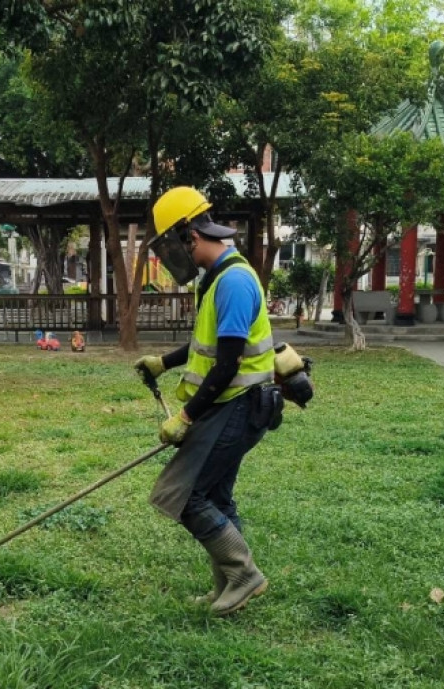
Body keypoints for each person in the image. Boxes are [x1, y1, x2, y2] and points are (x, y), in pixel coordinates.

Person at [135, 186, 279, 617]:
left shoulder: (233, 280)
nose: (170, 256)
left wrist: (185, 416)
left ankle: (244, 574)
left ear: (190, 236)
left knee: (184, 494)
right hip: (234, 403)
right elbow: (210, 346)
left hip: (238, 404)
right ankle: (227, 586)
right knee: (215, 495)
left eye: (169, 245)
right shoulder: (217, 277)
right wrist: (164, 362)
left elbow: (228, 364)